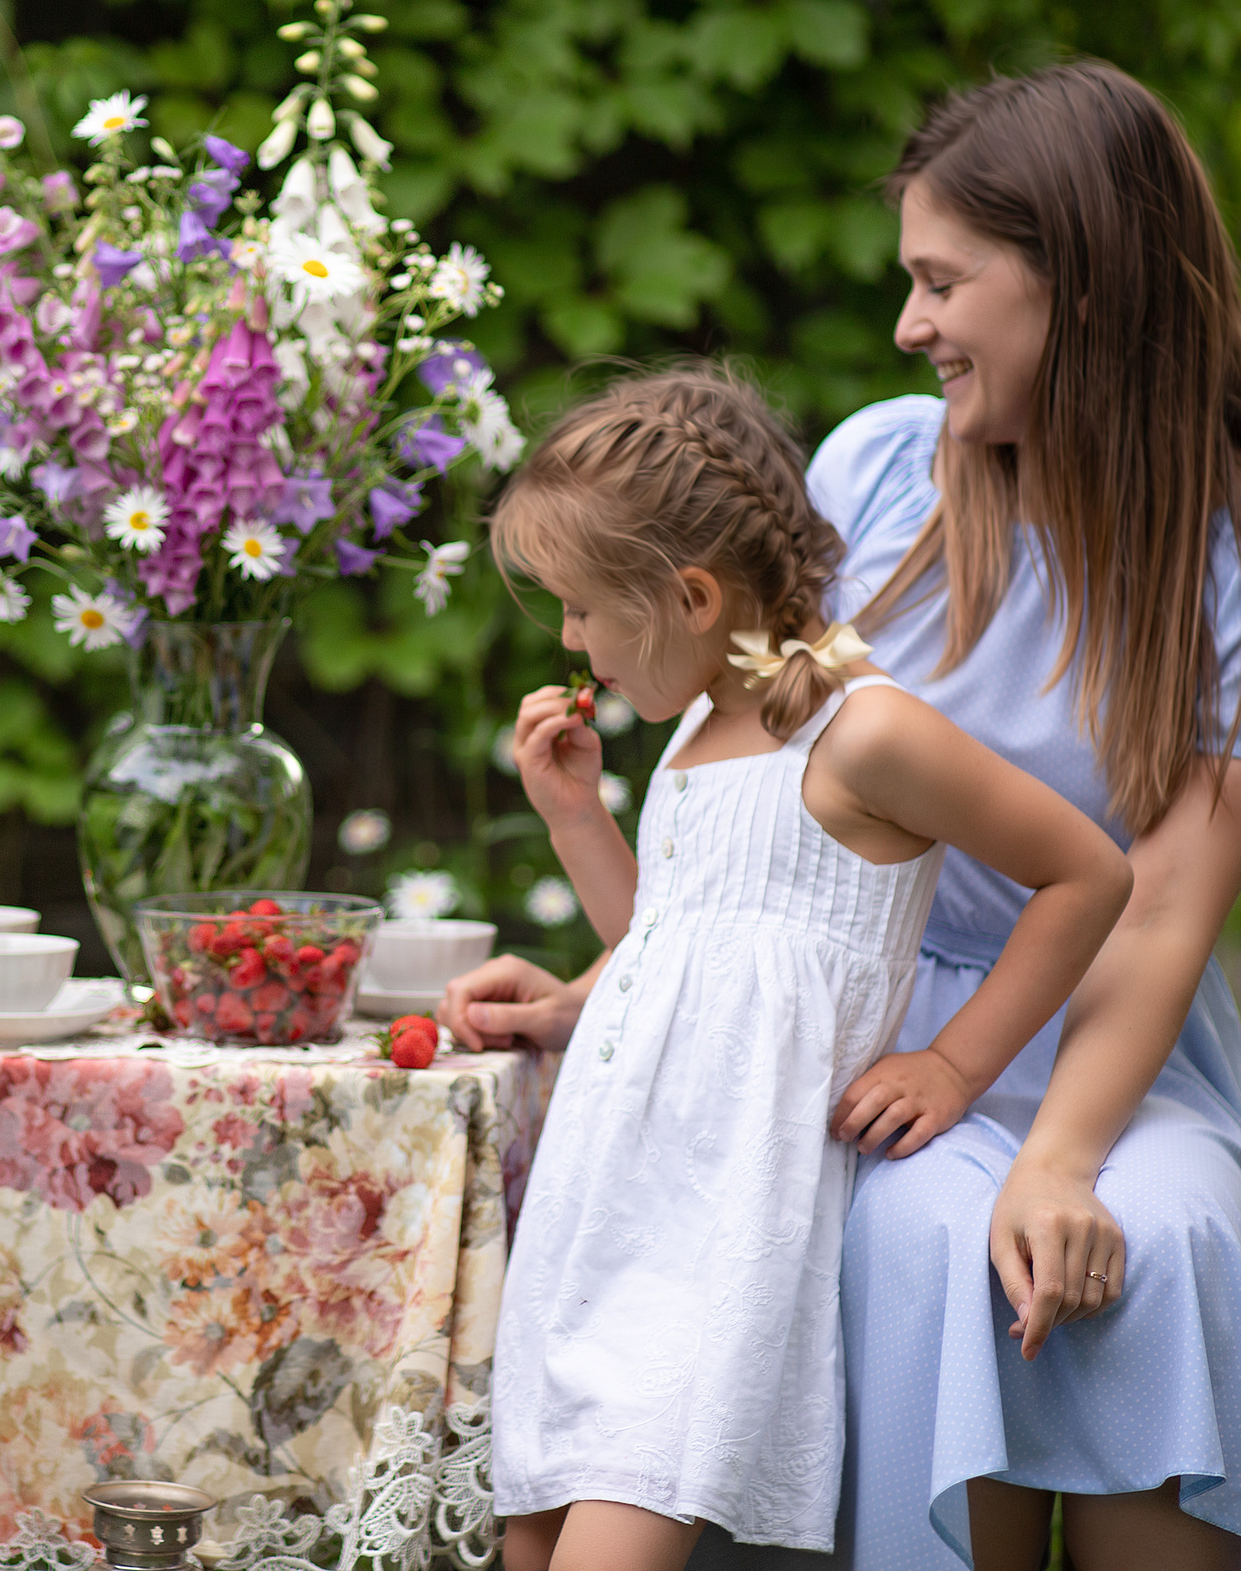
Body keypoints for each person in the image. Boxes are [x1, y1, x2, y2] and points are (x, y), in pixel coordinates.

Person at [448, 64, 1241, 1570]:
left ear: (1085, 284)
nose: (909, 325)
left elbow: (1157, 902)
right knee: (932, 1237)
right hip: (861, 1036)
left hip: (1105, 1038)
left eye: (944, 282)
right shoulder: (881, 470)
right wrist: (596, 994)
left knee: (1172, 1238)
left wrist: (1059, 1152)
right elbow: (751, 848)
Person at [469, 368, 1133, 1569]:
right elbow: (668, 945)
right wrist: (576, 821)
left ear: (687, 595)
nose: (569, 641)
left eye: (577, 609)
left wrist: (952, 1061)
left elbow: (1088, 873)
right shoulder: (694, 725)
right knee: (528, 1539)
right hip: (605, 1213)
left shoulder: (860, 731)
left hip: (706, 1239)